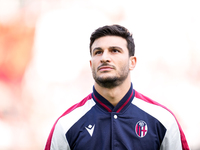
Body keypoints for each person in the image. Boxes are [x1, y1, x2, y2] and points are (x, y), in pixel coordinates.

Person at [44, 24, 190, 150]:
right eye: (98, 52)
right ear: (91, 64)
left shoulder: (163, 120)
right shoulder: (67, 124)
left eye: (115, 50)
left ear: (132, 62)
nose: (104, 57)